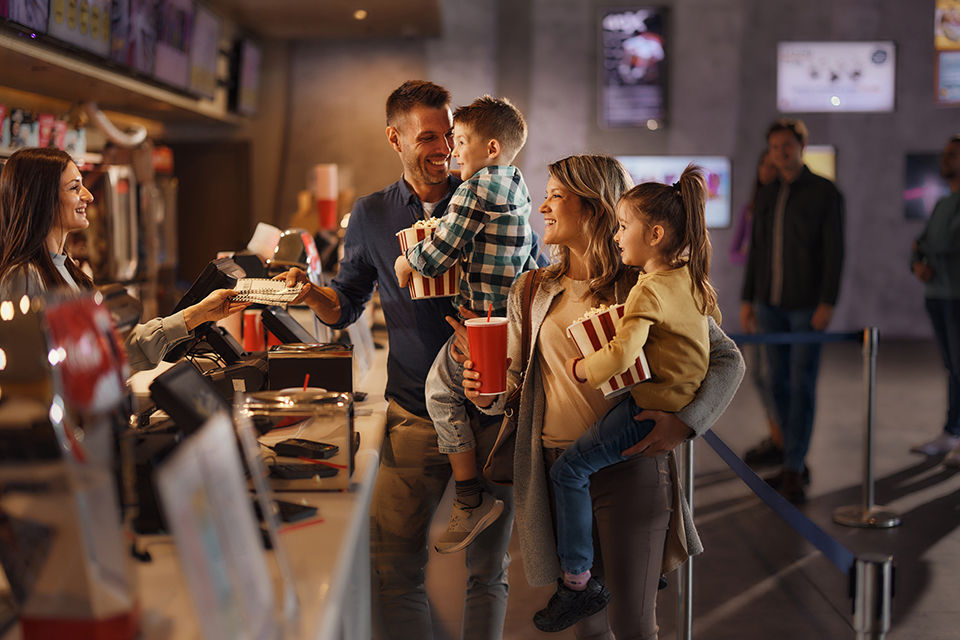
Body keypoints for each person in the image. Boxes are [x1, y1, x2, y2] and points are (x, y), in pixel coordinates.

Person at [280, 80, 541, 640]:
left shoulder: (483, 193)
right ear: (394, 138)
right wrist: (310, 294)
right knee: (394, 570)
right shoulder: (371, 214)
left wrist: (503, 344)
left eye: (449, 135)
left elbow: (534, 283)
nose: (444, 147)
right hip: (412, 415)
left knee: (487, 574)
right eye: (428, 137)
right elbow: (346, 304)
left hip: (492, 414)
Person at [463, 155, 745, 638]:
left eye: (555, 194)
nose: (543, 205)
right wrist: (484, 392)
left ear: (593, 207)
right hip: (555, 470)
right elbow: (514, 385)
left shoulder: (647, 283)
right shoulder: (532, 288)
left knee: (634, 625)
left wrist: (687, 421)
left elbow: (727, 359)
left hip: (630, 467)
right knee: (586, 626)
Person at [393, 95, 535, 554]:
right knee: (488, 394)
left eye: (460, 142)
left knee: (440, 390)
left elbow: (436, 258)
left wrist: (406, 261)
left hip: (482, 322)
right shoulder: (518, 186)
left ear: (491, 148)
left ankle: (469, 495)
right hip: (507, 319)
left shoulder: (473, 190)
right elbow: (529, 258)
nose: (453, 153)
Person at [0, 147, 247, 372]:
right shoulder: (24, 276)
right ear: (43, 198)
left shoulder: (66, 269)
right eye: (75, 187)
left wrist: (200, 313)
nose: (89, 196)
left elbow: (114, 348)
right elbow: (30, 373)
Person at [740, 118, 845, 504]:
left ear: (801, 147)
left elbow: (835, 253)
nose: (781, 153)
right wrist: (749, 297)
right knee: (774, 382)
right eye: (774, 147)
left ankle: (794, 466)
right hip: (769, 305)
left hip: (806, 309)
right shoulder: (767, 194)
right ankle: (791, 456)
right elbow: (757, 251)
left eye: (787, 146)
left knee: (802, 385)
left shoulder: (825, 192)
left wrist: (827, 302)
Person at [909, 134, 960, 466]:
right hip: (938, 296)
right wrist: (918, 262)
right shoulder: (943, 204)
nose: (944, 159)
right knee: (953, 367)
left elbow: (943, 245)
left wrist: (930, 254)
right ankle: (951, 432)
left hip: (958, 296)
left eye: (952, 155)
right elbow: (921, 243)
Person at [730, 151, 784, 467]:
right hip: (761, 297)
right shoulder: (753, 209)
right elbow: (741, 255)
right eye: (764, 163)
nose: (769, 169)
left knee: (777, 376)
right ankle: (776, 436)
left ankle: (784, 442)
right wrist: (748, 298)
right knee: (762, 375)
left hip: (782, 302)